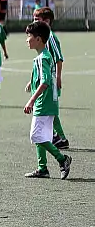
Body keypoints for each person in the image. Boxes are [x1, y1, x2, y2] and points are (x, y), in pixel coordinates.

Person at [21, 21, 72, 180]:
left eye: (29, 36)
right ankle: (42, 168)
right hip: (48, 101)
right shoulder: (43, 56)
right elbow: (43, 77)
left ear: (39, 39)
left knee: (36, 136)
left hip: (44, 102)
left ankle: (62, 159)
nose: (27, 40)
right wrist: (31, 81)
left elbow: (44, 82)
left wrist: (31, 100)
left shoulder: (43, 57)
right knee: (41, 136)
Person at [32, 7, 69, 149]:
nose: (34, 22)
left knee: (50, 109)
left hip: (51, 80)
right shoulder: (42, 38)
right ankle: (56, 136)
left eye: (37, 19)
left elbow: (59, 59)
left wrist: (58, 77)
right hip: (45, 78)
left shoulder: (51, 38)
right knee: (49, 108)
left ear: (46, 21)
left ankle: (61, 138)